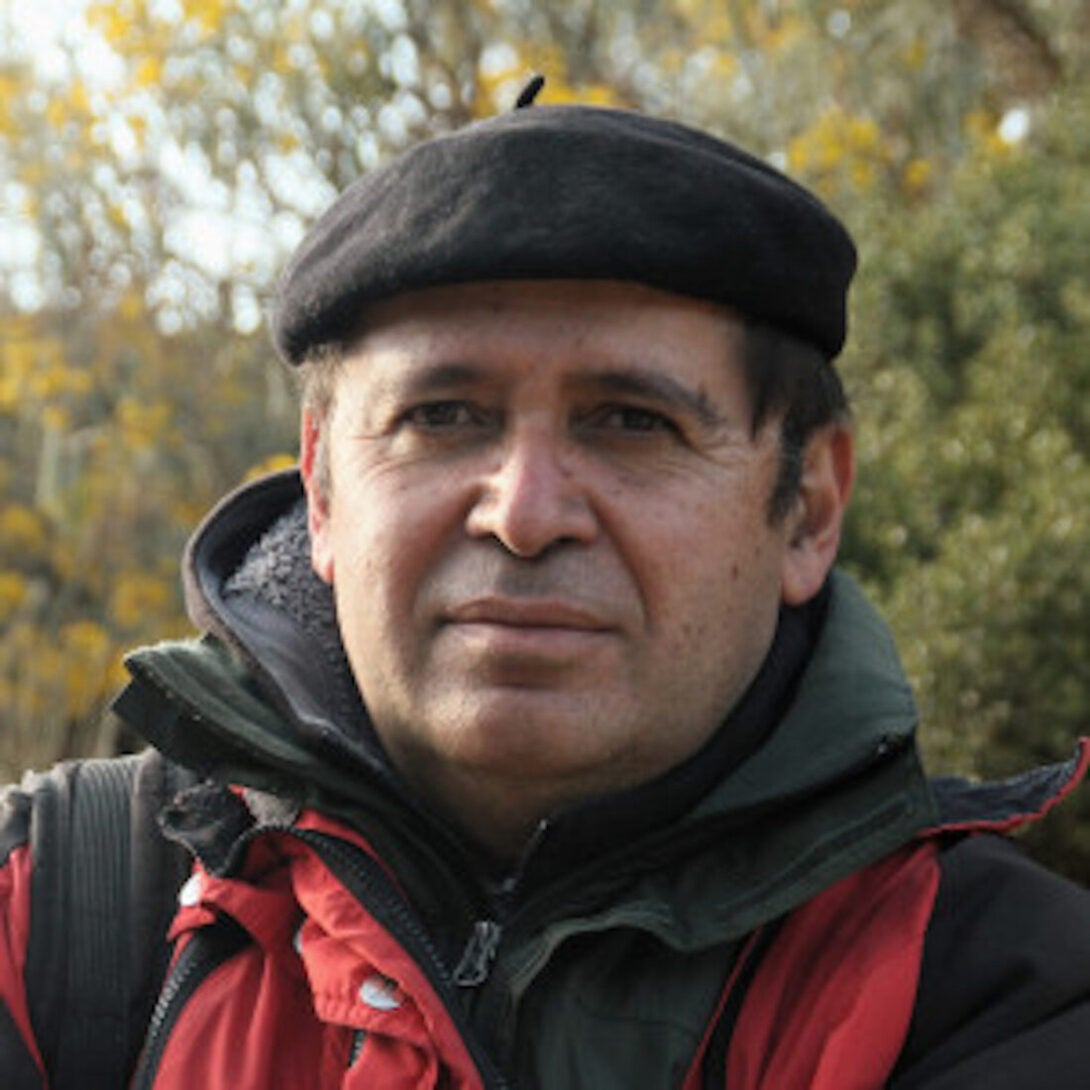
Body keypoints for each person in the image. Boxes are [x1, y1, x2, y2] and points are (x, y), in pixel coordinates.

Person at [3, 84, 1090, 1089]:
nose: (523, 514)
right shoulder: (49, 914)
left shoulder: (1002, 993)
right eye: (443, 416)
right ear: (323, 490)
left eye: (631, 421)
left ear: (806, 505)